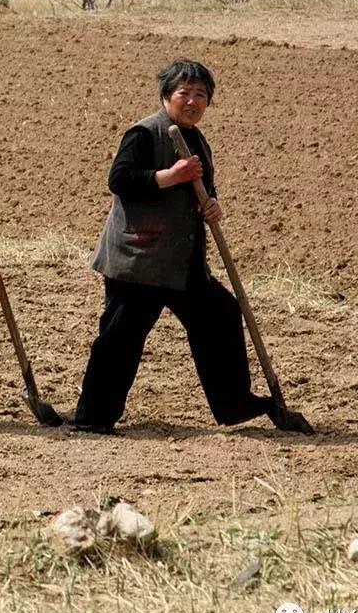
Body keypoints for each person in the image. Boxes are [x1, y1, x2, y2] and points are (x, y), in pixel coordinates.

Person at [74, 59, 303, 434]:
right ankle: (93, 418)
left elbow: (201, 189)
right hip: (139, 260)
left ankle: (236, 405)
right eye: (184, 93)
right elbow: (120, 180)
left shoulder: (197, 139)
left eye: (201, 95)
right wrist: (169, 176)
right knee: (121, 337)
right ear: (167, 96)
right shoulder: (144, 133)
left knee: (222, 316)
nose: (192, 101)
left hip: (182, 262)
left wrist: (210, 203)